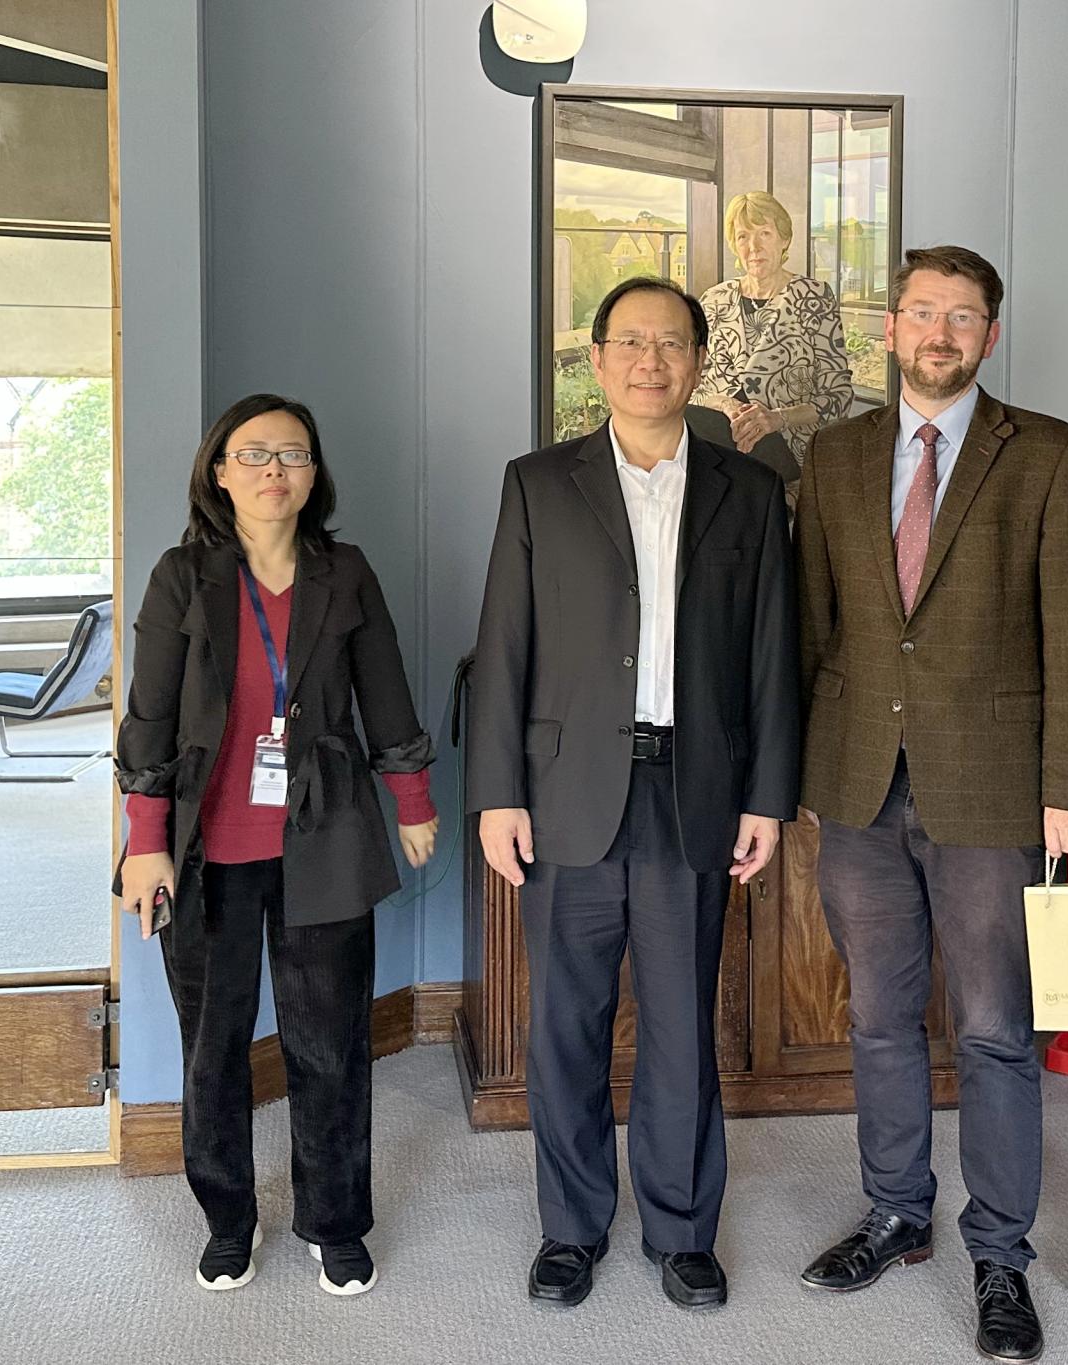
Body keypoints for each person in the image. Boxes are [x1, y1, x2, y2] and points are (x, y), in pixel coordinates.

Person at [794, 245, 1068, 1364]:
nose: (940, 332)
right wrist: (801, 776)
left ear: (989, 335)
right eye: (922, 311)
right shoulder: (835, 455)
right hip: (857, 785)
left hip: (995, 790)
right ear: (890, 327)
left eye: (963, 316)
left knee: (993, 1029)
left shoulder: (1053, 455)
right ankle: (895, 1213)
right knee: (878, 1019)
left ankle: (998, 1253)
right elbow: (814, 625)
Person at [467, 276, 800, 1311]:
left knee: (681, 1025)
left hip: (693, 788)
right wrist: (495, 793)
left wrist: (767, 796)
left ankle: (682, 1228)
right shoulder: (539, 482)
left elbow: (771, 652)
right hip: (565, 792)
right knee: (563, 1025)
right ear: (600, 358)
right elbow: (503, 644)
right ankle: (570, 1229)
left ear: (697, 360)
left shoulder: (748, 492)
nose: (650, 361)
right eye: (630, 342)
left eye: (670, 343)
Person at [114, 393, 439, 1298]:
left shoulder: (347, 570)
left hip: (323, 835)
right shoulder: (182, 576)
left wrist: (412, 800)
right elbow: (148, 717)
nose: (273, 470)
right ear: (220, 472)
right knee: (212, 1048)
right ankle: (228, 1219)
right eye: (253, 454)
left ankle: (335, 1222)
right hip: (202, 851)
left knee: (330, 1044)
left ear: (313, 474)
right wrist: (145, 841)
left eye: (292, 454)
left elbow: (386, 688)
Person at [696, 190, 854, 474]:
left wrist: (777, 418)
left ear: (784, 239)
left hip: (788, 454)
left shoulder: (813, 297)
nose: (753, 247)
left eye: (765, 234)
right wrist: (726, 405)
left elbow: (838, 396)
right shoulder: (713, 300)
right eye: (743, 236)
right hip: (717, 448)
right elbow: (691, 387)